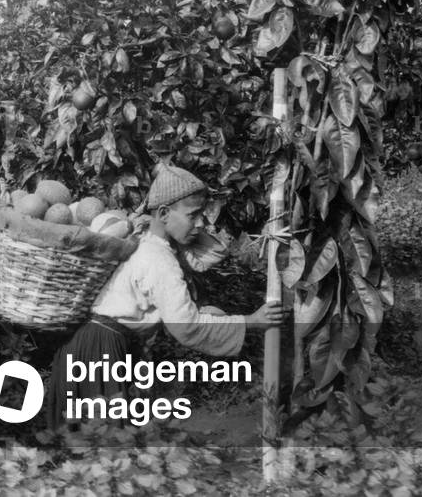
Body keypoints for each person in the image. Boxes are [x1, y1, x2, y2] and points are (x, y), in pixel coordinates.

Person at [45, 163, 287, 430]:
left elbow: (213, 254)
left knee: (96, 450)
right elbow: (186, 327)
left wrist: (173, 223)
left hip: (93, 347)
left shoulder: (149, 242)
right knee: (105, 449)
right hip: (100, 351)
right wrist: (251, 322)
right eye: (193, 215)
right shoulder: (159, 259)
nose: (200, 224)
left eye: (202, 216)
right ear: (162, 213)